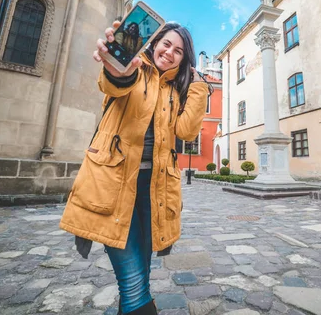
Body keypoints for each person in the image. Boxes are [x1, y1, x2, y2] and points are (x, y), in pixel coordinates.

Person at [60, 21, 209, 314]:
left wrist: (199, 86)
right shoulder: (134, 69)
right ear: (154, 43)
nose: (170, 53)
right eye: (166, 44)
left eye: (179, 51)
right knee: (133, 283)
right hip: (114, 184)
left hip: (154, 189)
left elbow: (187, 131)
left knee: (140, 277)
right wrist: (118, 68)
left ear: (184, 59)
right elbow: (114, 83)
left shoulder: (175, 91)